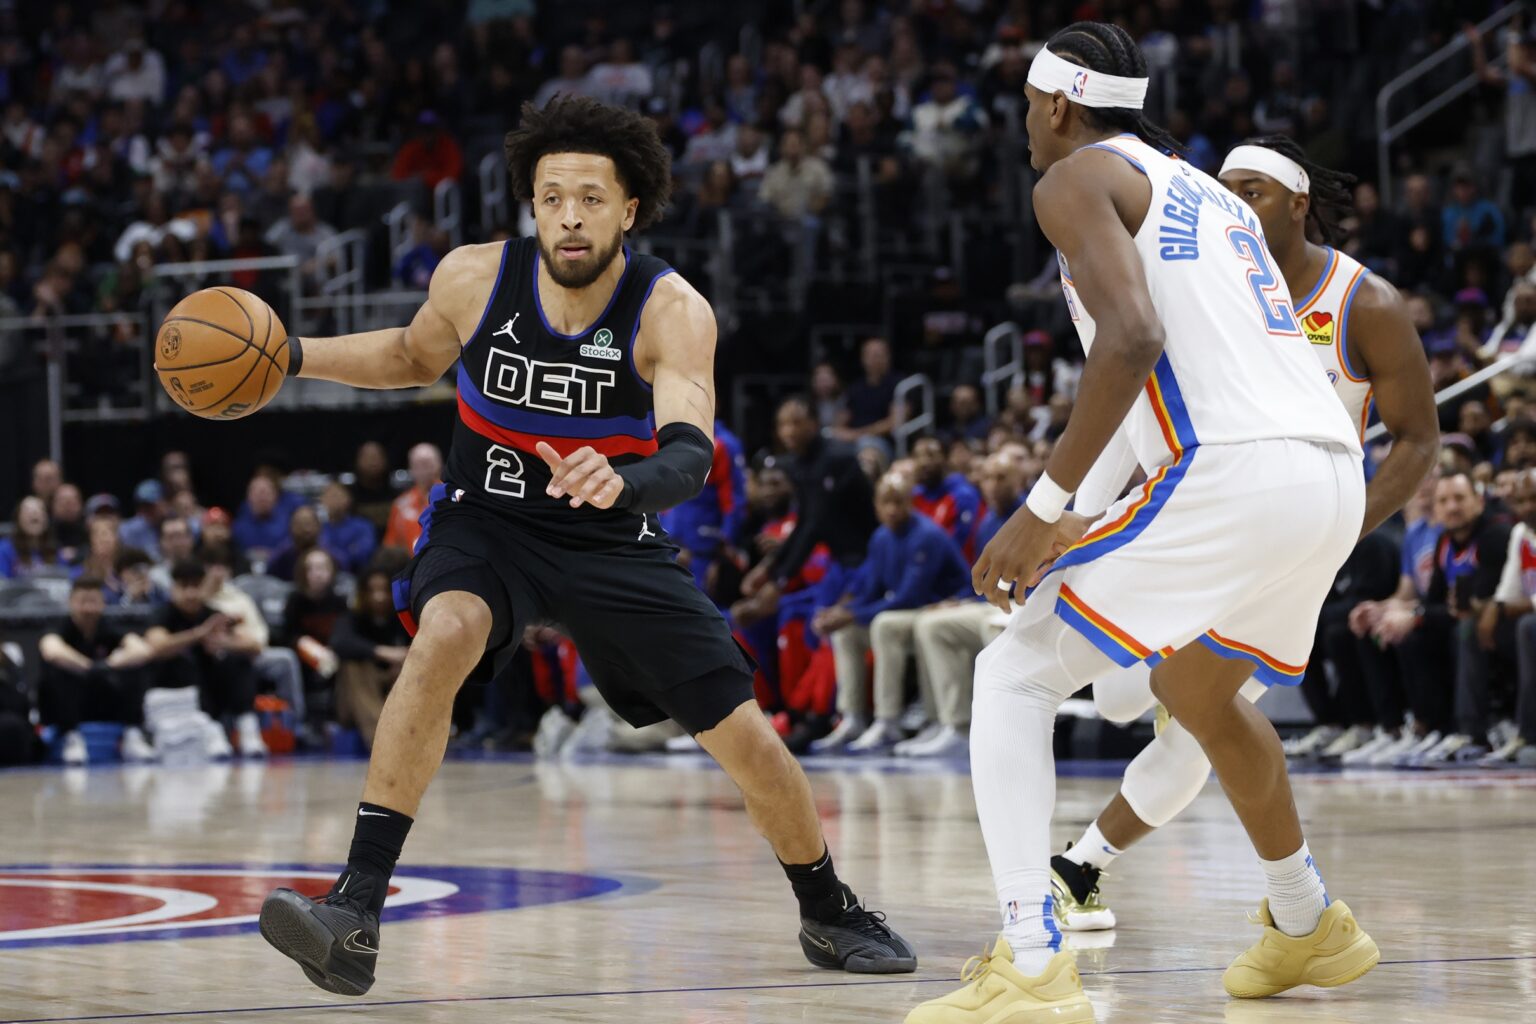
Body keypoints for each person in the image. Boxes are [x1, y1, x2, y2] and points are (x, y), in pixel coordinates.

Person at [251, 96, 913, 996]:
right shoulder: (473, 277)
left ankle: (829, 910)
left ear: (630, 207)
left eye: (591, 198)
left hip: (611, 536)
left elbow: (690, 447)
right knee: (444, 632)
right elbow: (411, 357)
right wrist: (290, 354)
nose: (569, 215)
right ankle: (355, 909)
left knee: (747, 738)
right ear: (531, 202)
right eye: (552, 196)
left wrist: (623, 480)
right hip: (488, 521)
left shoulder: (671, 309)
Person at [907, 26, 1378, 1024]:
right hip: (1330, 470)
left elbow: (1131, 341)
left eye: (1030, 105)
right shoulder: (1207, 193)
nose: (1027, 124)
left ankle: (1031, 959)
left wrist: (1039, 514)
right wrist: (1087, 511)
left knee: (1013, 670)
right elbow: (1152, 373)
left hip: (1238, 468)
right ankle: (1306, 922)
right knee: (1198, 691)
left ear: (1057, 106)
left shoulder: (1074, 178)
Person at [1046, 133, 1442, 930]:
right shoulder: (1208, 288)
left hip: (1290, 535)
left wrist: (1343, 530)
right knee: (1128, 695)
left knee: (1198, 713)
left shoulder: (1366, 303)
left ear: (1301, 203)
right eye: (1225, 190)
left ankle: (1081, 868)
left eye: (1253, 189)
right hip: (1198, 511)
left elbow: (1420, 440)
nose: (1236, 202)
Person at [810, 473, 973, 753]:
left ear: (912, 503)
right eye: (886, 503)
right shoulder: (881, 537)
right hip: (912, 612)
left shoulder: (927, 536)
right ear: (876, 505)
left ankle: (888, 721)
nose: (893, 510)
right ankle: (853, 717)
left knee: (884, 624)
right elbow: (871, 590)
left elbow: (910, 597)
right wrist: (840, 612)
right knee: (846, 631)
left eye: (899, 502)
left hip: (941, 607)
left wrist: (851, 613)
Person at [904, 450, 1025, 758]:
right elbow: (982, 581)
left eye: (1001, 478)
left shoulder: (1029, 517)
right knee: (931, 626)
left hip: (1024, 603)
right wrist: (955, 602)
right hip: (991, 604)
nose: (993, 485)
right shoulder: (986, 522)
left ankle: (1007, 731)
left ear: (1019, 480)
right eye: (987, 478)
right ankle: (952, 725)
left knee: (994, 626)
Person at [144, 558, 268, 759]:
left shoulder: (214, 615)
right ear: (173, 588)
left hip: (213, 686)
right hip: (175, 692)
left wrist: (224, 643)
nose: (190, 594)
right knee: (183, 661)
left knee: (239, 661)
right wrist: (199, 634)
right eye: (184, 587)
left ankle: (247, 726)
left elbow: (254, 645)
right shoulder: (163, 613)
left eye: (196, 586)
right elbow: (157, 646)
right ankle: (210, 730)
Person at [38, 576, 156, 765]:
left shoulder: (108, 628)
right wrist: (89, 666)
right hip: (68, 704)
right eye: (82, 601)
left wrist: (109, 665)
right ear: (71, 603)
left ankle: (132, 733)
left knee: (134, 668)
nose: (88, 608)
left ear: (103, 603)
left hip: (103, 700)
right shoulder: (60, 627)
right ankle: (71, 737)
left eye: (93, 601)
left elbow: (143, 650)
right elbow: (52, 651)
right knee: (57, 671)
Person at [330, 566, 412, 749]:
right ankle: (382, 740)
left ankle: (414, 731)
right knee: (354, 665)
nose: (378, 597)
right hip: (354, 701)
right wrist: (382, 652)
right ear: (363, 593)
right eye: (372, 591)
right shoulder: (352, 618)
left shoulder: (402, 618)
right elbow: (339, 643)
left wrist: (402, 658)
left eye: (384, 590)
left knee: (411, 662)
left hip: (392, 690)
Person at [908, 434, 982, 551]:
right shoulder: (913, 496)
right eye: (917, 456)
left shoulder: (964, 495)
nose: (923, 462)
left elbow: (959, 544)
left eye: (931, 455)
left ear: (945, 459)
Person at [382, 444, 442, 552]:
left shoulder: (453, 498)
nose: (424, 470)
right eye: (418, 465)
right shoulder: (400, 505)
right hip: (410, 564)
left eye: (427, 464)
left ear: (439, 465)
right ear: (411, 469)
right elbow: (390, 545)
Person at [320, 482, 378, 574]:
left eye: (338, 496)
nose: (335, 501)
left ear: (348, 500)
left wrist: (341, 557)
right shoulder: (320, 529)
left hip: (359, 574)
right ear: (323, 501)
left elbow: (364, 551)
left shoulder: (364, 525)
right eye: (330, 496)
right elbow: (322, 552)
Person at [0, 496, 62, 579]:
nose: (34, 513)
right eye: (27, 511)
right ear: (18, 519)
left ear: (46, 520)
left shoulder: (54, 549)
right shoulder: (5, 549)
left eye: (40, 510)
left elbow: (66, 577)